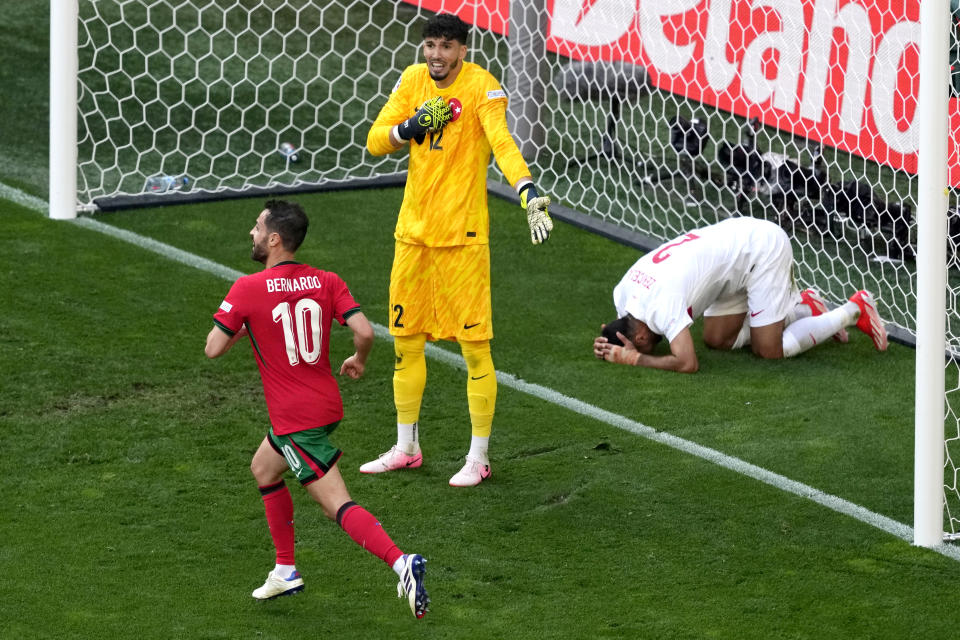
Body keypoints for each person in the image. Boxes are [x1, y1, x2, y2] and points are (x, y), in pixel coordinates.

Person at [204, 200, 429, 618]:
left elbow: (213, 348)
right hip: (325, 403)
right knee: (264, 468)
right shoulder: (326, 280)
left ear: (274, 239)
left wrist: (247, 322)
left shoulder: (247, 289)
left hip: (295, 419)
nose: (251, 235)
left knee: (335, 505)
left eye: (256, 228)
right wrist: (358, 361)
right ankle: (285, 569)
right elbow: (363, 331)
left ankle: (402, 563)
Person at [362, 13, 553, 486]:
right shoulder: (411, 81)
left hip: (463, 241)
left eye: (446, 46)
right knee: (405, 345)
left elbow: (502, 143)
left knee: (474, 350)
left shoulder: (483, 88)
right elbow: (374, 142)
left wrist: (527, 189)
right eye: (430, 45)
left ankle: (479, 458)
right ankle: (407, 447)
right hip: (413, 236)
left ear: (462, 50)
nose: (436, 56)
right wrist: (411, 126)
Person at [592, 216, 888, 373]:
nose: (647, 348)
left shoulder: (661, 306)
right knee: (717, 341)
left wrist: (634, 359)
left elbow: (687, 363)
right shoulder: (624, 292)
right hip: (732, 253)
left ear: (641, 339)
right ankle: (803, 308)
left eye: (643, 347)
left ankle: (854, 310)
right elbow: (622, 326)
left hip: (761, 250)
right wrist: (611, 340)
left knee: (768, 351)